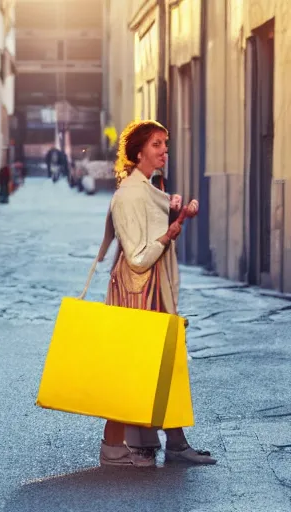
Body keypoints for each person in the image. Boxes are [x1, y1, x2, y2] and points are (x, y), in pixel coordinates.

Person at [96, 120, 216, 467]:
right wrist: (175, 227)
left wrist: (172, 209)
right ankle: (117, 446)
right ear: (138, 152)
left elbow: (151, 222)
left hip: (150, 288)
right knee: (139, 368)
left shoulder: (145, 188)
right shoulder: (129, 195)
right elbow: (136, 258)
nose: (164, 150)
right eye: (157, 144)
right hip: (138, 290)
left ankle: (164, 442)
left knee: (162, 365)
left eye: (165, 143)